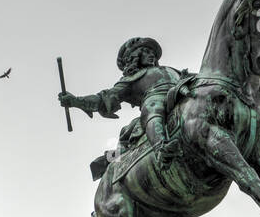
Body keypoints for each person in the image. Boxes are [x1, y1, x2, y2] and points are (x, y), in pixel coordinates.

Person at [58, 37, 187, 178]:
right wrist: (76, 101)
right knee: (153, 109)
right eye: (146, 52)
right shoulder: (130, 80)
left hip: (182, 93)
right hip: (155, 99)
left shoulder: (171, 70)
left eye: (152, 53)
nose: (151, 55)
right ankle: (162, 148)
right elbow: (104, 98)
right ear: (135, 57)